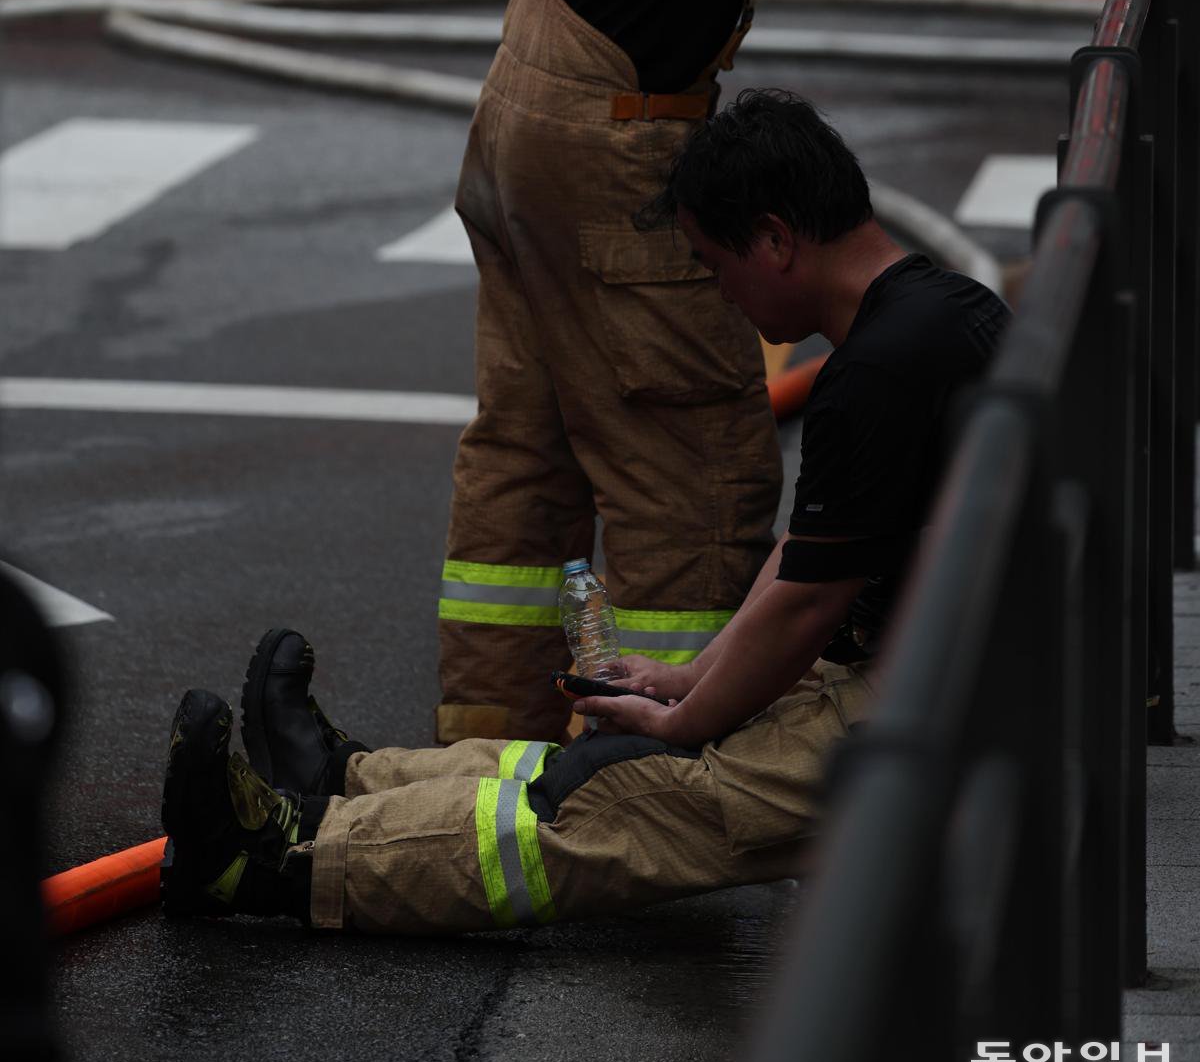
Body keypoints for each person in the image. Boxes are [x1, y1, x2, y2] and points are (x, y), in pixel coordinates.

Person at [436, 0, 1169, 748]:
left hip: (516, 137)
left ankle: (488, 746)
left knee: (529, 459)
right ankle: (656, 771)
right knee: (698, 469)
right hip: (616, 153)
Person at [160, 91, 1011, 934]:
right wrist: (686, 682)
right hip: (938, 674)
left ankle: (277, 857)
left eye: (717, 268)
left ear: (777, 240)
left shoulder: (874, 374)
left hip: (943, 710)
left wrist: (687, 720)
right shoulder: (949, 312)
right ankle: (345, 780)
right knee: (613, 758)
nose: (723, 298)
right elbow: (811, 556)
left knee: (624, 798)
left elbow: (809, 600)